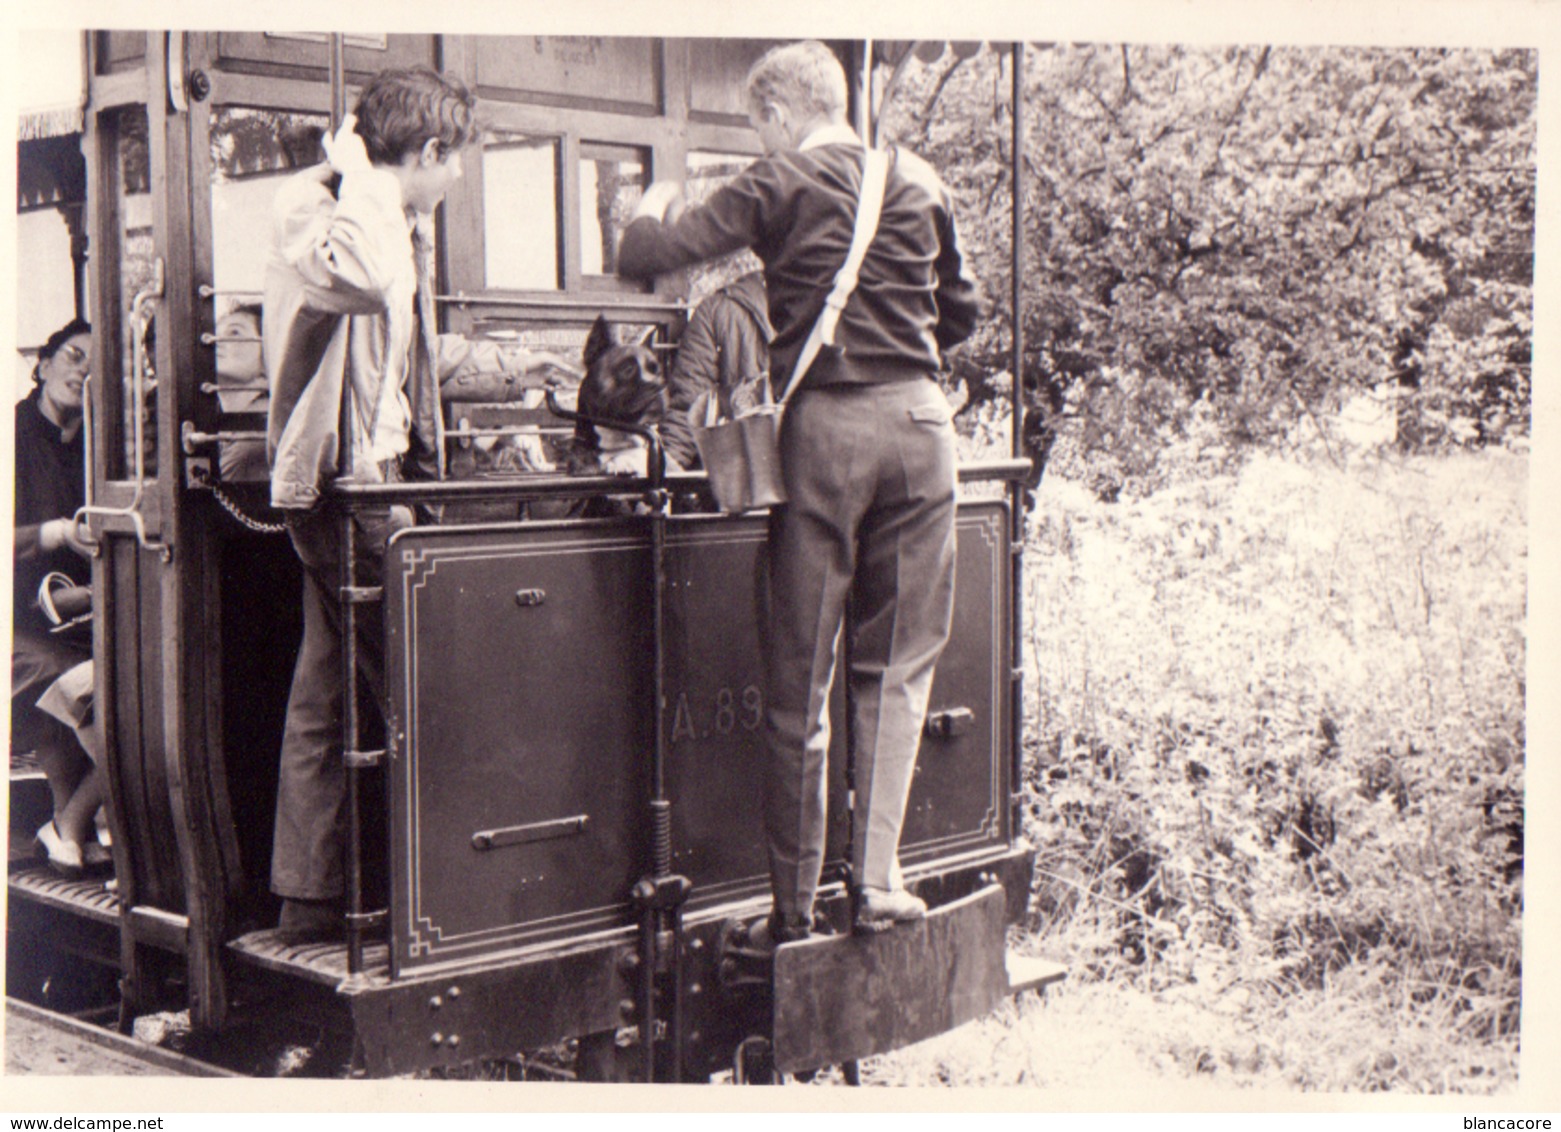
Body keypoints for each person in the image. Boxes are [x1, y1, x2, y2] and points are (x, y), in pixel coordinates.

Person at [617, 41, 981, 942]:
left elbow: (652, 252)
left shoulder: (779, 181)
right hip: (924, 432)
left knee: (800, 679)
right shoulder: (921, 180)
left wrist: (649, 204)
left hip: (824, 438)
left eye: (756, 124)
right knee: (897, 669)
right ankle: (879, 880)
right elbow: (961, 313)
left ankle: (793, 908)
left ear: (778, 113)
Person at [264, 65, 579, 940]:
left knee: (328, 693)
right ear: (429, 150)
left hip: (373, 480)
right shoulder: (320, 206)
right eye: (453, 162)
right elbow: (364, 283)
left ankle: (310, 897)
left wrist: (526, 365)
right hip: (346, 489)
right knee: (430, 684)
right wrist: (365, 168)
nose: (458, 181)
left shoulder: (384, 221)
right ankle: (449, 901)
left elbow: (400, 352)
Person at [12, 319, 110, 875]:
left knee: (114, 674)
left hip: (62, 615)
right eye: (73, 356)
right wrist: (50, 534)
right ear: (44, 363)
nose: (82, 371)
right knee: (72, 677)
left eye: (95, 366)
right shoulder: (11, 433)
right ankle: (73, 822)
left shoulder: (96, 446)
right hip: (15, 626)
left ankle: (66, 825)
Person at [661, 270, 772, 472]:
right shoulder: (716, 311)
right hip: (746, 480)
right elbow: (691, 404)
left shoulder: (835, 312)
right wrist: (668, 466)